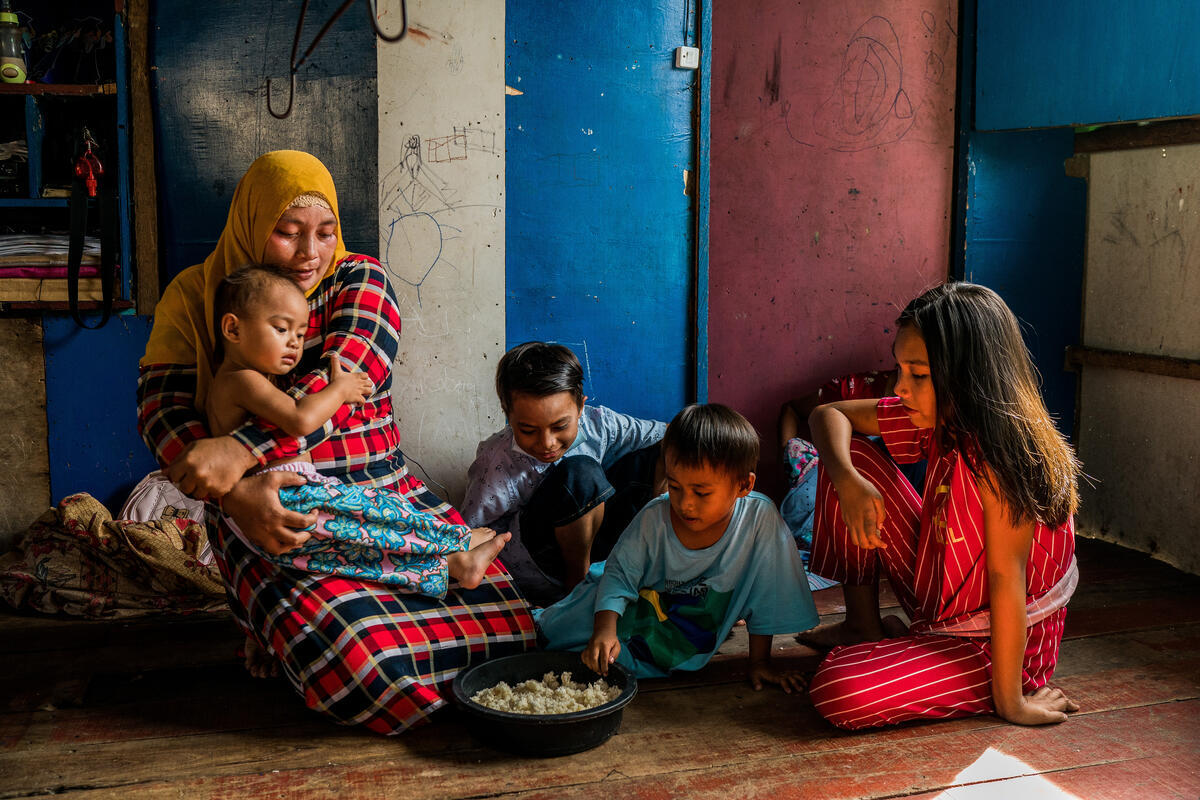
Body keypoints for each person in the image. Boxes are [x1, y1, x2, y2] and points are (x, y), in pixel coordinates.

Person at [137, 150, 534, 734]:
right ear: (252, 225)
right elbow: (162, 413)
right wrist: (238, 494)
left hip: (386, 497)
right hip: (275, 512)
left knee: (514, 638)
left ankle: (284, 634)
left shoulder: (359, 278)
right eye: (286, 233)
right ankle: (278, 628)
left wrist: (238, 453)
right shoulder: (198, 297)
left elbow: (344, 385)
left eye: (325, 233)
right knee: (360, 666)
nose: (309, 254)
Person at [801, 282, 1081, 730]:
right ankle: (863, 625)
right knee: (849, 456)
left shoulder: (1005, 453)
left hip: (996, 642)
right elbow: (826, 414)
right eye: (899, 369)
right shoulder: (944, 418)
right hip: (941, 598)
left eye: (918, 374)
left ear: (968, 377)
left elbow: (1006, 580)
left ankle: (934, 658)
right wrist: (847, 480)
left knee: (837, 688)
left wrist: (1013, 703)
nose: (900, 387)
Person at [205, 263, 507, 596]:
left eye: (301, 334)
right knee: (381, 516)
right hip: (289, 495)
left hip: (274, 510)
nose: (294, 344)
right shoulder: (241, 379)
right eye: (281, 329)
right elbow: (299, 420)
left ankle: (451, 565)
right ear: (233, 330)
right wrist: (340, 389)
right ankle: (459, 540)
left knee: (358, 553)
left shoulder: (242, 378)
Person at [537, 404, 819, 691]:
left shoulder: (760, 519)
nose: (685, 503)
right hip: (629, 605)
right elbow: (620, 575)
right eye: (674, 486)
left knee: (617, 663)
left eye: (701, 492)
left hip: (680, 627)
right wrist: (605, 628)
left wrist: (759, 662)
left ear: (743, 486)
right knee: (554, 640)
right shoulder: (655, 516)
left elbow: (766, 595)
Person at [460, 342, 666, 605]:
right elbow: (468, 533)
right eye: (528, 430)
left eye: (560, 426)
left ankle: (657, 578)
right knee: (581, 475)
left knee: (667, 454)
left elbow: (674, 433)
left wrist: (663, 490)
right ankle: (578, 595)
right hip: (542, 569)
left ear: (581, 407)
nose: (547, 443)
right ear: (507, 414)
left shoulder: (598, 423)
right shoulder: (496, 461)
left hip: (598, 548)